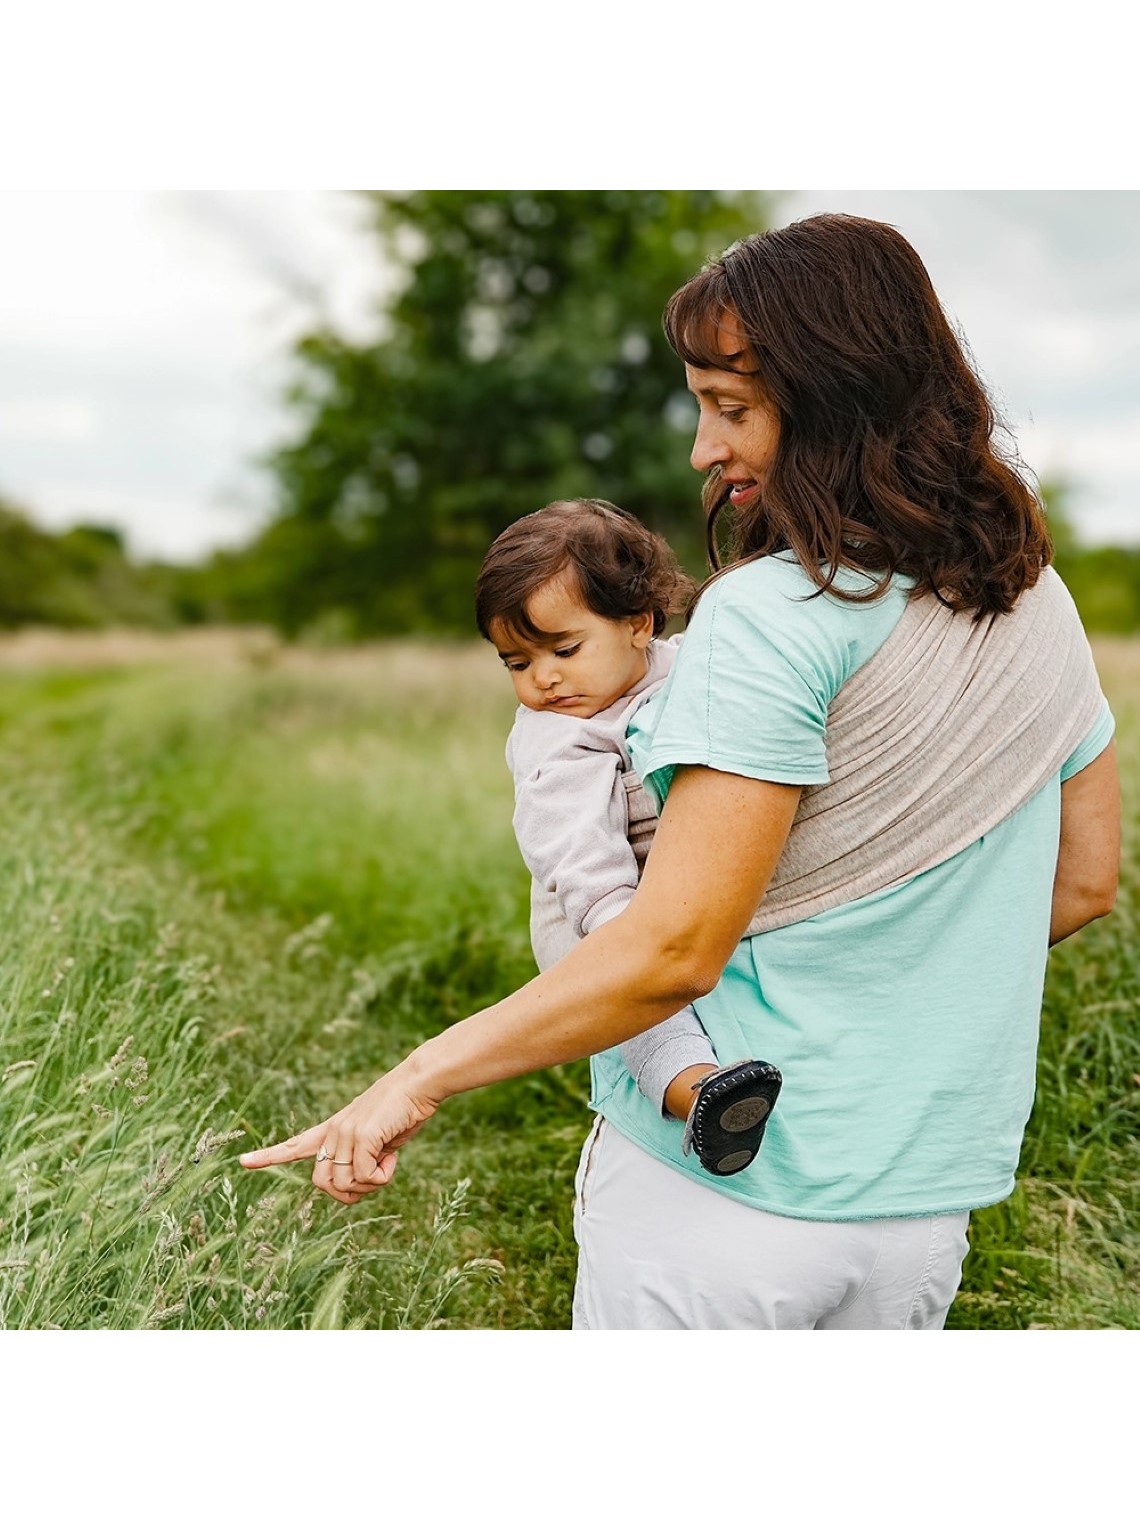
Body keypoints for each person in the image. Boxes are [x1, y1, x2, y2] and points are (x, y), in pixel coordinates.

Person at [241, 213, 1120, 1330]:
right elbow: (1086, 880)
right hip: (925, 1196)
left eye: (732, 406)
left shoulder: (769, 614)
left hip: (721, 1208)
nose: (704, 448)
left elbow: (669, 948)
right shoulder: (1037, 603)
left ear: (837, 400)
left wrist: (415, 1074)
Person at [474, 496, 782, 1174]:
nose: (543, 678)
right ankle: (696, 1094)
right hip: (589, 911)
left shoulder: (684, 668)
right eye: (516, 663)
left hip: (654, 894)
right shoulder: (557, 738)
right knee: (639, 1012)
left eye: (562, 649)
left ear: (639, 624)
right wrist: (629, 943)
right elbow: (577, 851)